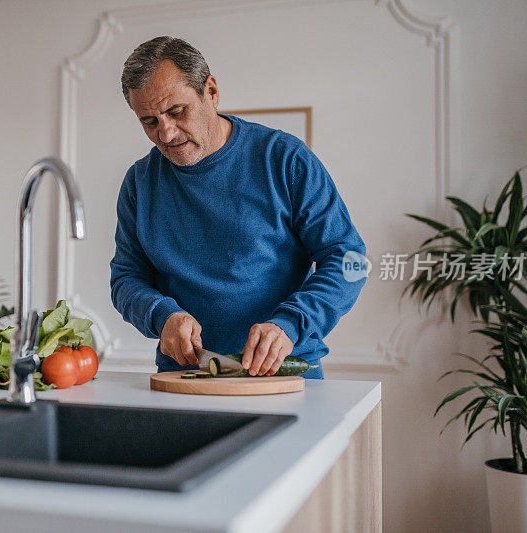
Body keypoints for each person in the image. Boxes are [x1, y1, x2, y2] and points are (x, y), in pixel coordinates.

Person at [109, 36, 366, 378]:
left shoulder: (284, 159)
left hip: (284, 377)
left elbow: (350, 260)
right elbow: (127, 278)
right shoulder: (139, 183)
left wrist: (291, 323)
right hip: (186, 377)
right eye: (150, 121)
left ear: (211, 92)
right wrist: (161, 315)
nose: (166, 134)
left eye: (176, 112)